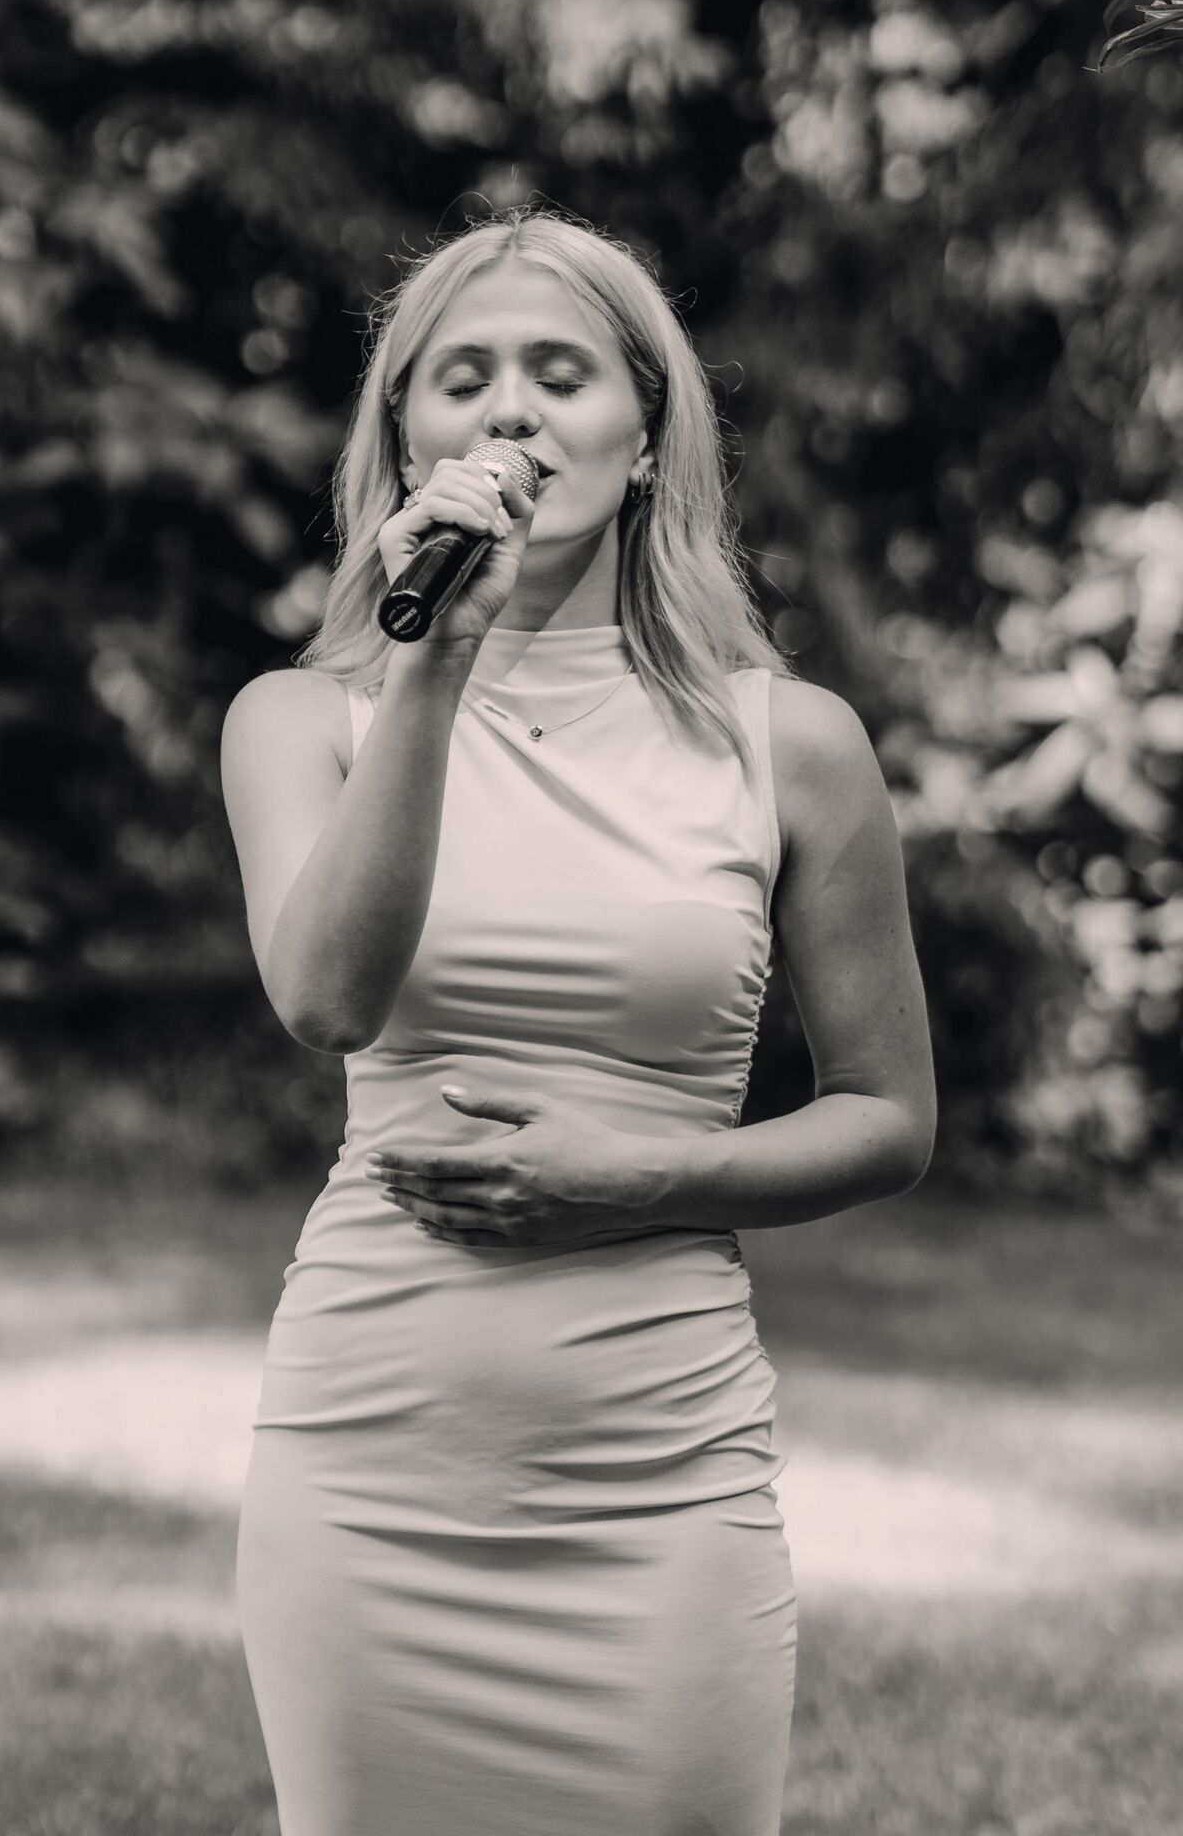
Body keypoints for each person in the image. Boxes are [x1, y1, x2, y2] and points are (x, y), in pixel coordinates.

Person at [221, 206, 937, 1836]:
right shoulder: (302, 720)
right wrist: (436, 659)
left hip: (661, 1479)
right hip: (369, 1469)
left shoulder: (792, 744)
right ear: (407, 434)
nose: (511, 410)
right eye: (462, 377)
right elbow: (326, 998)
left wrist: (643, 1176)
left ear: (646, 430)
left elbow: (891, 1119)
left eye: (561, 373)